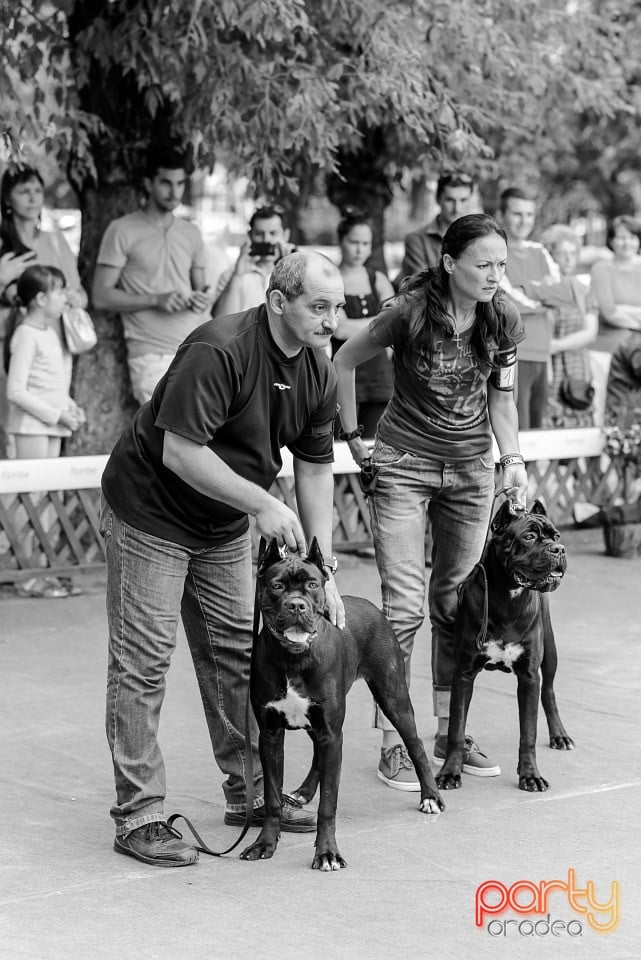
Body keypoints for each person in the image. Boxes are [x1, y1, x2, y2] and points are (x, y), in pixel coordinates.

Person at [100, 250, 346, 867]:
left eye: (337, 307)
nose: (331, 319)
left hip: (224, 520)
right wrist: (262, 504)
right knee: (144, 662)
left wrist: (325, 567)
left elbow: (316, 469)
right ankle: (140, 817)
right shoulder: (220, 348)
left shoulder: (317, 370)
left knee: (238, 654)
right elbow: (181, 451)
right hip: (151, 511)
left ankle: (254, 795)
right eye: (319, 306)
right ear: (278, 301)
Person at [334, 213, 528, 790]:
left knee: (457, 605)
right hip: (402, 466)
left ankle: (450, 733)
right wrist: (353, 440)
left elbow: (503, 402)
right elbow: (343, 360)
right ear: (450, 264)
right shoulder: (408, 313)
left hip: (472, 472)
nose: (495, 274)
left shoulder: (502, 319)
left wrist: (512, 461)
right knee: (403, 608)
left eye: (501, 263)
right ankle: (397, 740)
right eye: (484, 264)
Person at [91, 147, 212, 405]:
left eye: (180, 183)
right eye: (166, 183)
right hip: (152, 357)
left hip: (198, 350)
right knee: (168, 441)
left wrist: (202, 299)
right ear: (148, 183)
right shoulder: (122, 230)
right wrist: (155, 300)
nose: (175, 192)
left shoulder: (191, 232)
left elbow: (202, 290)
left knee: (206, 439)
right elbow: (101, 296)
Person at [5, 265, 86, 598]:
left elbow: (52, 384)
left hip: (52, 426)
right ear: (40, 298)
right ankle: (28, 576)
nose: (65, 296)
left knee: (48, 502)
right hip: (31, 429)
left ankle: (46, 570)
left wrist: (69, 408)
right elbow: (16, 390)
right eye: (59, 290)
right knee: (31, 503)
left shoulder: (50, 332)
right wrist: (56, 415)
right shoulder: (25, 334)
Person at [0, 164, 87, 457]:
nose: (33, 197)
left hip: (53, 344)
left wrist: (72, 297)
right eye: (23, 191)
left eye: (37, 190)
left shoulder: (55, 240)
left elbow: (80, 294)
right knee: (13, 428)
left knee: (47, 426)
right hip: (10, 343)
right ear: (7, 198)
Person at [521, 224, 597, 428]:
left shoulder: (582, 289)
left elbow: (590, 331)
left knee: (578, 429)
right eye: (562, 253)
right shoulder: (540, 287)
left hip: (576, 366)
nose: (568, 258)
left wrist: (556, 345)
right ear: (550, 255)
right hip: (547, 366)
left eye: (573, 253)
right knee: (546, 426)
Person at [331, 207, 395, 437]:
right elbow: (339, 329)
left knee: (374, 445)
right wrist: (380, 324)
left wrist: (383, 326)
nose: (359, 249)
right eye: (354, 242)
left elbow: (394, 323)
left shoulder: (377, 278)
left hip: (379, 376)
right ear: (341, 240)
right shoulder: (330, 278)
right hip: (343, 375)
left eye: (365, 243)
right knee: (341, 442)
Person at [498, 186, 559, 429]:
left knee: (537, 429)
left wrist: (528, 290)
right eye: (517, 214)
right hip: (514, 351)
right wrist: (543, 294)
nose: (524, 221)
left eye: (529, 215)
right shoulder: (497, 251)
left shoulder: (540, 251)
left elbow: (564, 294)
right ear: (502, 214)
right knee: (516, 430)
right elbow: (508, 301)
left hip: (542, 352)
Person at [212, 204, 296, 318]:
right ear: (250, 235)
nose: (266, 239)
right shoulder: (231, 275)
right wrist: (237, 276)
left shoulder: (297, 273)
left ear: (286, 235)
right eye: (259, 234)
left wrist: (291, 270)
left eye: (273, 233)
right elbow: (222, 321)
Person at [397, 172, 475, 283]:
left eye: (463, 200)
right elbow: (421, 286)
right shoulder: (416, 240)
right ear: (438, 200)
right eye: (450, 200)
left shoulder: (477, 239)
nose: (457, 208)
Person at [590, 215, 641, 354]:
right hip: (608, 348)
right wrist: (637, 323)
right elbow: (609, 313)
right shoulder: (601, 269)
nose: (627, 243)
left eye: (632, 237)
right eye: (621, 238)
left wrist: (621, 308)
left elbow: (613, 309)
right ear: (611, 241)